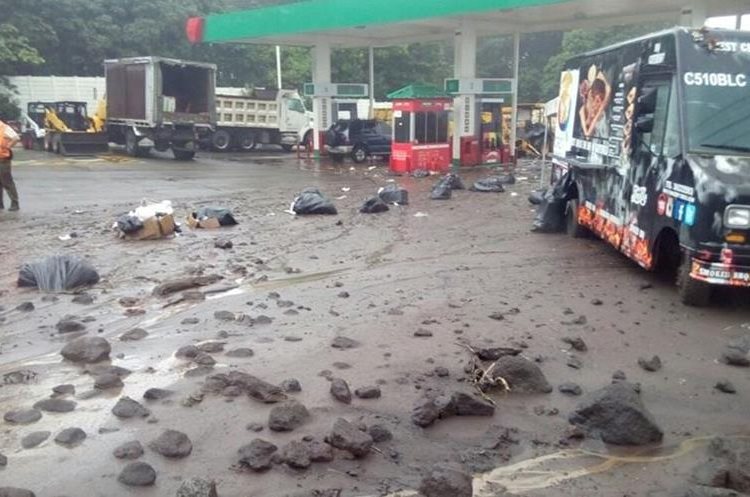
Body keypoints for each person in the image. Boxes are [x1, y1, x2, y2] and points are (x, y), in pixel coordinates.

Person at [0, 116, 20, 210]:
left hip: (3, 159)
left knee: (7, 181)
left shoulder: (4, 128)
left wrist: (8, 146)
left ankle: (15, 203)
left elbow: (16, 138)